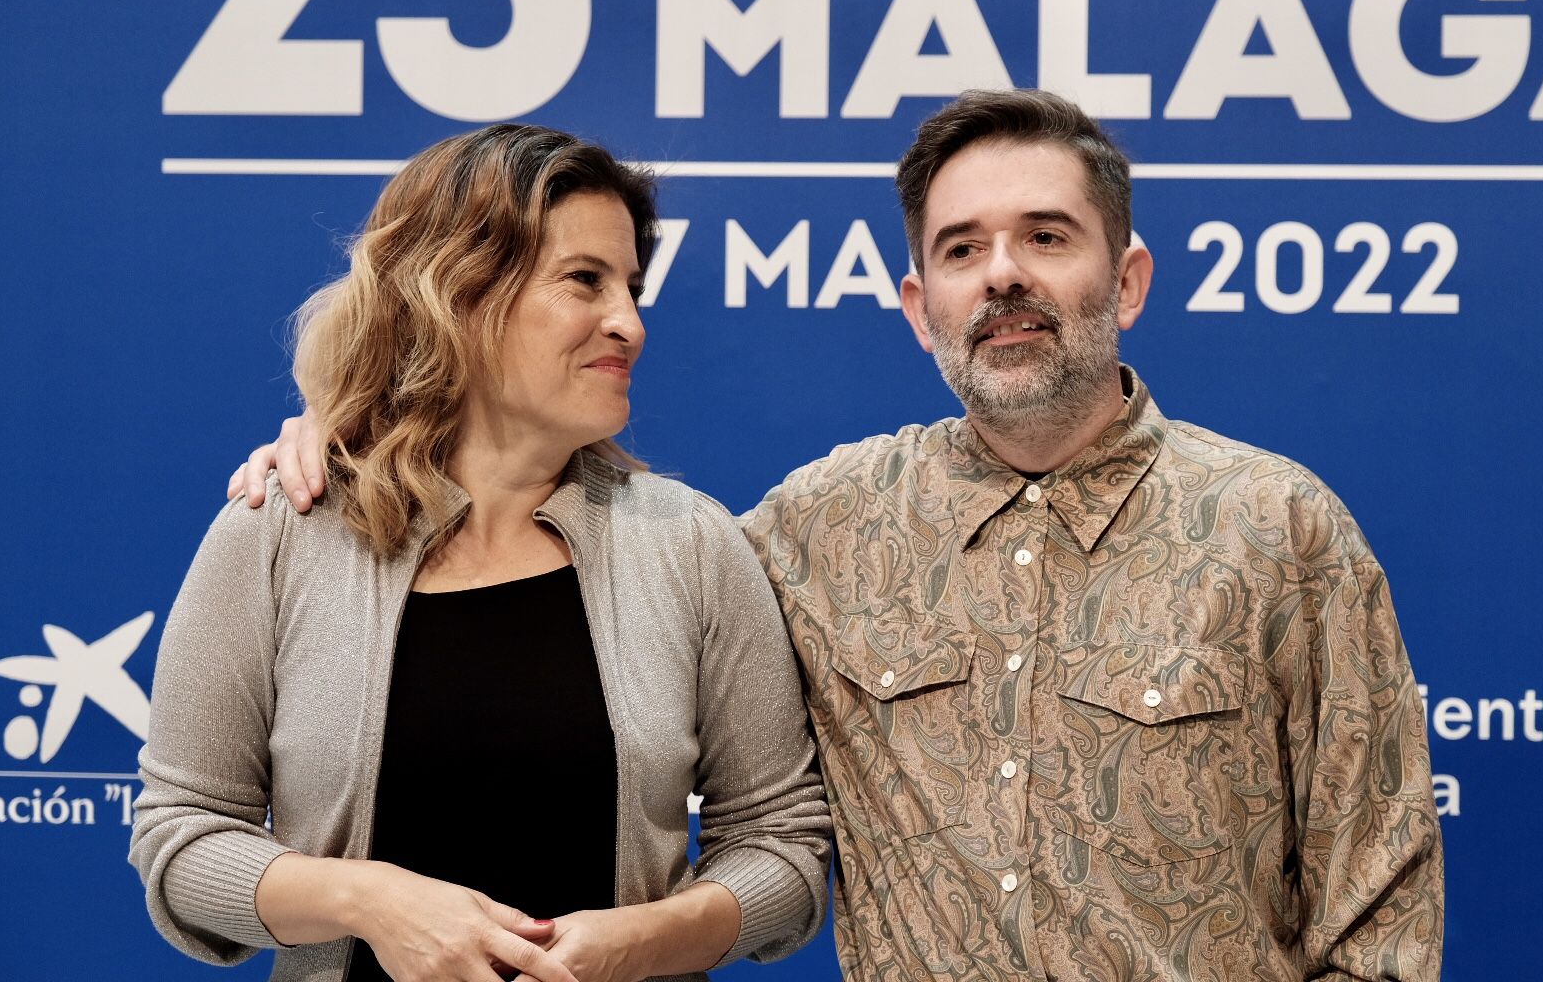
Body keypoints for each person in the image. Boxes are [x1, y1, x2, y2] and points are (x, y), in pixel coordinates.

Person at [237, 91, 1444, 981]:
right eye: (962, 250)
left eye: (1047, 237)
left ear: (1125, 282)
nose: (1003, 276)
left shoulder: (1276, 527)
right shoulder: (818, 527)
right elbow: (570, 549)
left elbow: (1378, 914)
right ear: (921, 307)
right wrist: (356, 425)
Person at [135, 124, 831, 982]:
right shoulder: (281, 528)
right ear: (455, 291)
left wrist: (643, 941)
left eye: (633, 287)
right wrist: (370, 900)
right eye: (586, 281)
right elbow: (182, 840)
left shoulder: (690, 544)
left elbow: (784, 846)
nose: (629, 323)